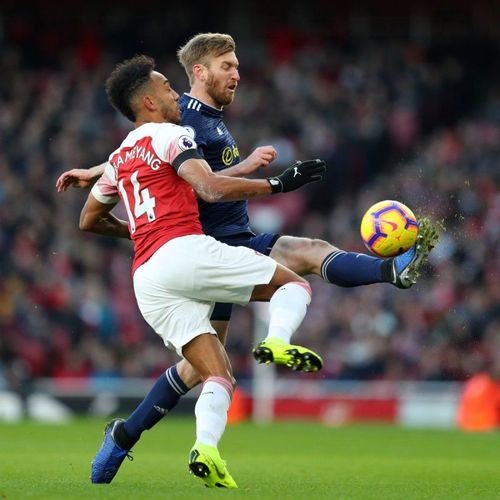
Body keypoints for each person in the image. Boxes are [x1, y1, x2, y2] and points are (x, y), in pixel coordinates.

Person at [56, 33, 438, 484]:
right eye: (226, 66)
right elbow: (185, 166)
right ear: (199, 71)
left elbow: (140, 154)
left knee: (201, 369)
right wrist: (275, 182)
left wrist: (108, 179)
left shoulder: (200, 122)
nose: (236, 73)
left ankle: (124, 437)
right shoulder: (187, 119)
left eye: (237, 65)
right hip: (213, 243)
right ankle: (391, 271)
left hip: (176, 259)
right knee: (309, 257)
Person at [79, 54, 327, 488]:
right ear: (149, 102)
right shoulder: (173, 136)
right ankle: (276, 341)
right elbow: (210, 188)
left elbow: (88, 220)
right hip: (185, 251)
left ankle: (195, 448)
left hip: (148, 278)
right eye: (167, 88)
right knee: (295, 285)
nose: (176, 93)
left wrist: (139, 229)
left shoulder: (119, 156)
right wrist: (278, 184)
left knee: (216, 374)